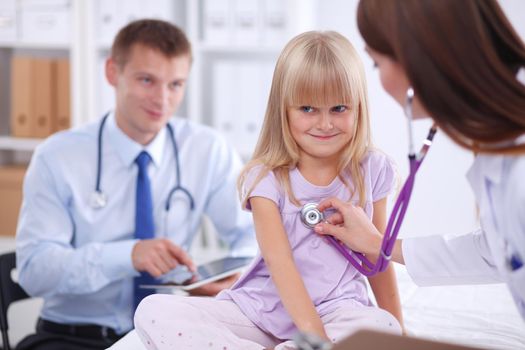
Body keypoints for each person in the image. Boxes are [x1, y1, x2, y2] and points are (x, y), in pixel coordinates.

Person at [134, 30, 403, 350]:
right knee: (153, 310)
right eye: (308, 109)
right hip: (263, 308)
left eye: (339, 108)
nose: (325, 123)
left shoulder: (372, 168)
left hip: (337, 308)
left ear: (359, 106)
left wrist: (399, 330)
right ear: (283, 109)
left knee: (381, 326)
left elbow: (378, 254)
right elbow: (280, 262)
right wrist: (314, 338)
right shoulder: (267, 178)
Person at [15, 19, 256, 350]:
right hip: (72, 338)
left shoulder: (206, 150)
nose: (162, 99)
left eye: (175, 84)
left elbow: (255, 237)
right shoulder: (57, 157)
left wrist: (231, 281)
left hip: (167, 333)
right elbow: (34, 270)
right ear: (113, 72)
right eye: (147, 80)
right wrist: (127, 255)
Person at [314, 0, 525, 322]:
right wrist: (377, 242)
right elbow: (500, 251)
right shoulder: (501, 138)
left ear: (417, 59)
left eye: (376, 64)